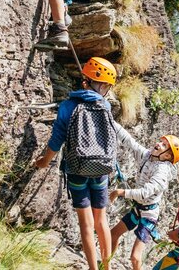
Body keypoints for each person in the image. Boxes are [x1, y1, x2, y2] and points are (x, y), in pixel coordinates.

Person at [34, 57, 119, 270]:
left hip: (76, 169)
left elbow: (57, 139)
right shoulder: (105, 105)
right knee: (102, 221)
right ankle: (106, 267)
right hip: (101, 170)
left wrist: (45, 161)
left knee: (86, 224)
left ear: (85, 81)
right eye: (106, 86)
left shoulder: (68, 106)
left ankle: (92, 268)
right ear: (102, 86)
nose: (107, 90)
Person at [109, 128, 179, 270]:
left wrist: (120, 192)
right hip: (138, 209)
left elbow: (145, 193)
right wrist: (109, 120)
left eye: (163, 145)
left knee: (135, 257)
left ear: (168, 155)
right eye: (160, 141)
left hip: (148, 215)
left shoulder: (162, 172)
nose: (158, 144)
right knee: (112, 235)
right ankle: (104, 266)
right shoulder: (148, 156)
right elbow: (129, 141)